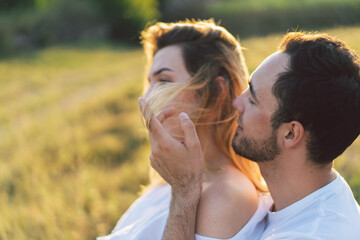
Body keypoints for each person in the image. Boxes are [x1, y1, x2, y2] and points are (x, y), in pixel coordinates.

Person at [144, 32, 360, 239]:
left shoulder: (313, 234)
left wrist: (184, 188)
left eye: (253, 100)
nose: (236, 103)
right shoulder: (302, 201)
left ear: (290, 133)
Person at [98, 19, 271, 240]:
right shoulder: (168, 183)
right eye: (150, 82)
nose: (147, 97)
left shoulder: (227, 196)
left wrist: (184, 193)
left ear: (215, 93)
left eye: (164, 80)